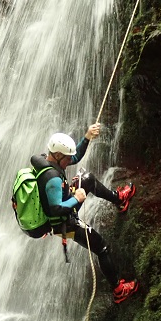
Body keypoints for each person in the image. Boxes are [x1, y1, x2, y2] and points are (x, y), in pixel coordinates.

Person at [30, 123, 138, 303]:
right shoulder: (52, 179)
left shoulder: (46, 160)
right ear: (57, 156)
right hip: (64, 222)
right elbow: (56, 209)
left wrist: (87, 137)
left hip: (63, 206)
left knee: (87, 179)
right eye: (66, 158)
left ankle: (119, 199)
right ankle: (118, 290)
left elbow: (75, 157)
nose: (69, 161)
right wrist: (77, 199)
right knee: (102, 248)